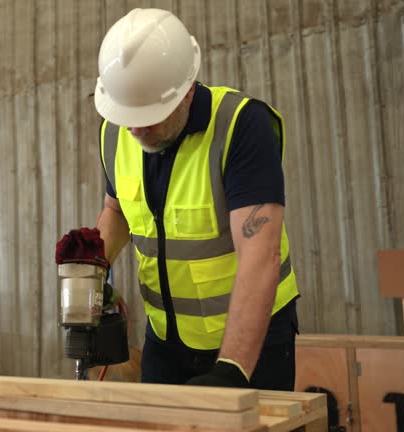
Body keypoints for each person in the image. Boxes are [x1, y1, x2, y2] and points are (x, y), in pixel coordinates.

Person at [91, 8, 299, 390]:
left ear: (187, 90)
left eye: (151, 115)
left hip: (250, 341)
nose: (136, 128)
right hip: (167, 340)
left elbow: (261, 254)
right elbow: (116, 209)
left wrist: (234, 366)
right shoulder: (115, 134)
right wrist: (90, 270)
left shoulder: (240, 126)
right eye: (128, 116)